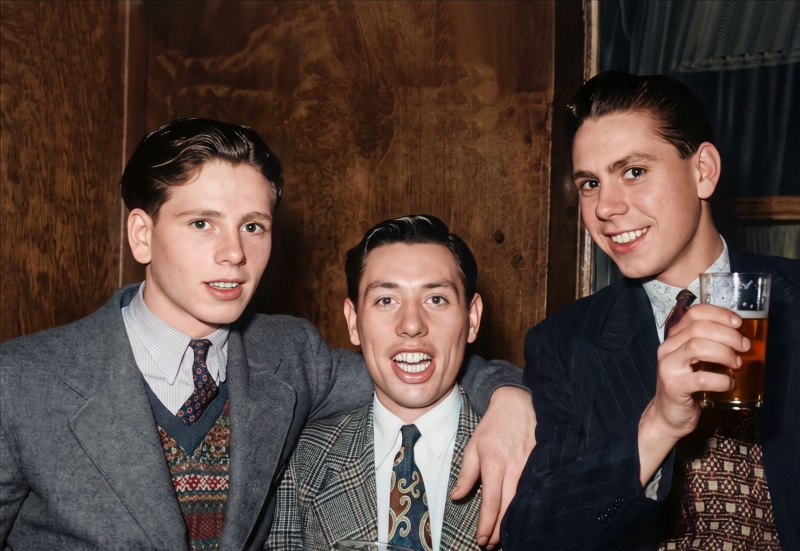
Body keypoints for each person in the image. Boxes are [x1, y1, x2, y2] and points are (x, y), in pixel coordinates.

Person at [0, 119, 534, 551]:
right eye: (202, 223)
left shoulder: (289, 356)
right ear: (142, 235)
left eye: (252, 226)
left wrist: (510, 398)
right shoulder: (22, 382)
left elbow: (418, 363)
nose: (234, 253)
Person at [502, 72, 799, 550]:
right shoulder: (564, 343)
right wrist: (658, 424)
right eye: (590, 183)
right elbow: (533, 538)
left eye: (634, 172)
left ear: (703, 170)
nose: (605, 207)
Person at [266, 215, 496, 551]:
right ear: (354, 321)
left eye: (436, 299)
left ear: (471, 319)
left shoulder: (528, 454)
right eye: (386, 300)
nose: (412, 325)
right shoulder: (301, 461)